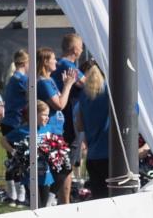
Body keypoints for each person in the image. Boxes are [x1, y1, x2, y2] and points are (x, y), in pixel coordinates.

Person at [37, 47, 78, 204]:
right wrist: (68, 85)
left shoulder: (51, 80)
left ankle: (50, 199)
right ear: (46, 62)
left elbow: (62, 99)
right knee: (64, 167)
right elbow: (60, 104)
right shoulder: (43, 83)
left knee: (63, 168)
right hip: (50, 132)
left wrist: (65, 87)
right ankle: (49, 199)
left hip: (57, 131)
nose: (56, 61)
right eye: (53, 59)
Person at [1, 101, 55, 207]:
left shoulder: (48, 128)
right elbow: (3, 140)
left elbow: (55, 144)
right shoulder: (23, 130)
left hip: (45, 175)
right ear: (34, 114)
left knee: (44, 206)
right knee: (35, 206)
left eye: (48, 115)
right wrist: (14, 152)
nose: (47, 118)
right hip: (29, 175)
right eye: (44, 115)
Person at [52, 33, 86, 182]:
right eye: (81, 47)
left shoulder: (58, 63)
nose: (83, 50)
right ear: (75, 49)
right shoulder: (68, 66)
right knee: (70, 152)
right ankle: (63, 186)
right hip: (70, 115)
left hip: (62, 115)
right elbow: (87, 84)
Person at [75, 61, 111, 200]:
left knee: (98, 198)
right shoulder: (109, 91)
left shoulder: (83, 96)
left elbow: (79, 125)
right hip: (110, 156)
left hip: (92, 156)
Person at [1, 50, 29, 205]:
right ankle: (20, 195)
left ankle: (12, 195)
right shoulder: (23, 79)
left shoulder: (13, 78)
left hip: (8, 122)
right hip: (16, 123)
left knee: (11, 159)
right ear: (25, 63)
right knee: (19, 159)